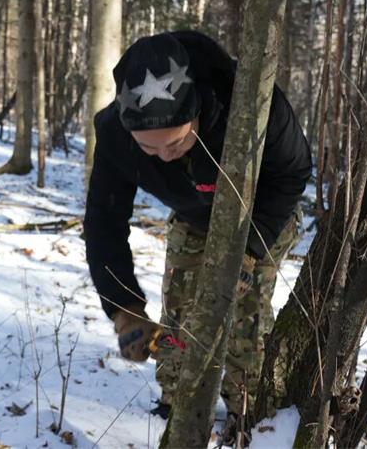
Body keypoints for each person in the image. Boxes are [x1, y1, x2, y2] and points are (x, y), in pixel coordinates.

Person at [83, 30, 311, 441]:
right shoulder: (115, 135)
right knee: (181, 306)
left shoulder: (252, 103)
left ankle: (247, 408)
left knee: (242, 312)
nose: (166, 156)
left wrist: (249, 251)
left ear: (197, 109)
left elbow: (292, 172)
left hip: (260, 214)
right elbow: (104, 221)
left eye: (176, 143)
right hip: (194, 216)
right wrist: (123, 306)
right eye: (150, 149)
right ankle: (178, 399)